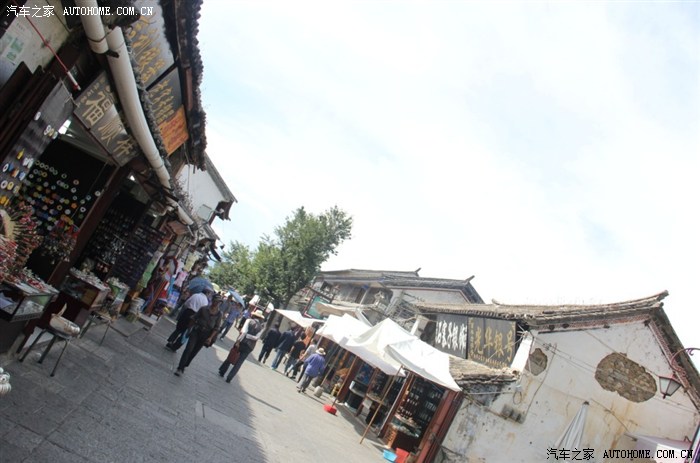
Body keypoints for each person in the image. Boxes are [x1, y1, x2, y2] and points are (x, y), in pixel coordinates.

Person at [174, 295, 223, 376]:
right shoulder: (204, 309)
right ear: (212, 300)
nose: (216, 303)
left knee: (194, 352)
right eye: (216, 301)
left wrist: (210, 338)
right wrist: (189, 330)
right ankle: (180, 368)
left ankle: (185, 365)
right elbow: (194, 318)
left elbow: (216, 327)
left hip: (205, 335)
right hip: (196, 331)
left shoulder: (219, 314)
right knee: (188, 349)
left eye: (218, 302)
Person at [219, 309, 265, 383]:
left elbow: (243, 332)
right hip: (249, 347)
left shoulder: (249, 321)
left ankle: (222, 371)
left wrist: (238, 341)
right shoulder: (261, 328)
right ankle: (229, 377)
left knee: (232, 355)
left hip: (242, 342)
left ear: (254, 315)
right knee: (239, 362)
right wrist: (250, 336)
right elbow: (256, 338)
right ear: (260, 318)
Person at [166, 287, 213, 352]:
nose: (209, 295)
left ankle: (171, 340)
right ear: (207, 293)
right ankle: (175, 346)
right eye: (209, 293)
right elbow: (203, 312)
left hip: (187, 312)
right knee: (186, 332)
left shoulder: (195, 295)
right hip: (195, 317)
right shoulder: (205, 301)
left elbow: (186, 303)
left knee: (179, 328)